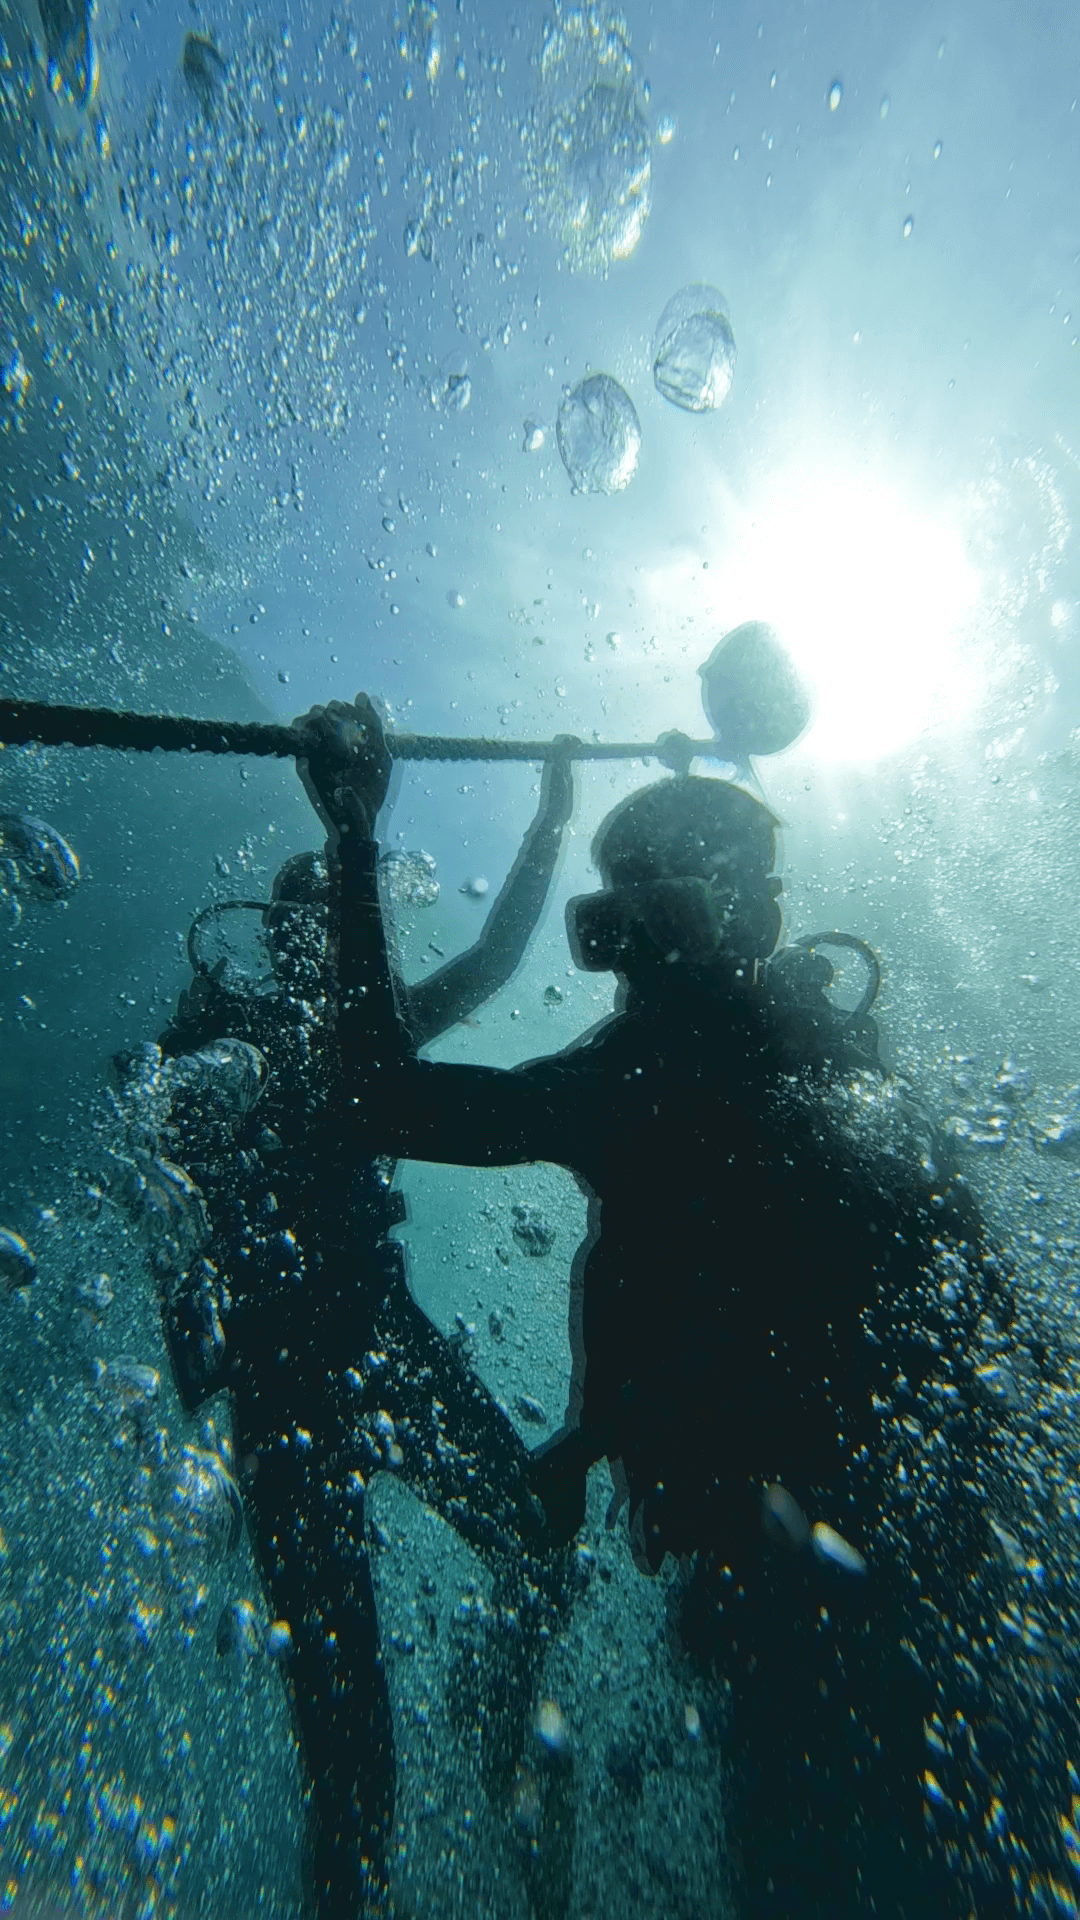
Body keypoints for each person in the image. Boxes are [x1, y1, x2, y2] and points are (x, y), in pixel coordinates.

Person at [295, 693, 1080, 1919]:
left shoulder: (649, 1075)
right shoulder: (820, 1059)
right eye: (614, 913)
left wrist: (354, 832)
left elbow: (375, 1098)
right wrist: (596, 1432)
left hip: (803, 1565)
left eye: (643, 909)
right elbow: (754, 1293)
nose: (620, 942)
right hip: (911, 1538)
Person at [154, 744, 575, 1918]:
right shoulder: (216, 1045)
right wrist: (197, 1345)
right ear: (287, 932)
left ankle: (499, 1719)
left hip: (357, 1355)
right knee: (350, 1756)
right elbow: (168, 1219)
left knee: (535, 1540)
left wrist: (548, 823)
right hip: (299, 1387)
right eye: (318, 923)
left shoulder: (351, 1030)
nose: (324, 944)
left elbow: (495, 958)